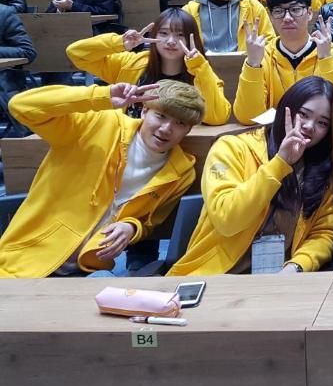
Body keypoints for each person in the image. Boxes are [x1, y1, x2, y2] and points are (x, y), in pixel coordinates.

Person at [0, 80, 205, 277]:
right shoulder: (99, 123)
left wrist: (131, 227)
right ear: (144, 111)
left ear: (188, 129)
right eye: (160, 116)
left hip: (88, 269)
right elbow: (21, 106)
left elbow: (148, 222)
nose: (166, 128)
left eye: (179, 123)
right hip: (26, 262)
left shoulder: (182, 172)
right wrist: (101, 96)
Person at [168, 77, 333, 276]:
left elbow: (323, 232)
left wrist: (297, 265)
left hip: (281, 280)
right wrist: (281, 163)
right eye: (303, 114)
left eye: (322, 123)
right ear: (286, 108)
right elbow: (227, 219)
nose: (310, 126)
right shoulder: (232, 147)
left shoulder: (323, 170)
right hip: (217, 277)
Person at [67, 7, 231, 125]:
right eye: (164, 33)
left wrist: (198, 66)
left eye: (180, 35)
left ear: (191, 39)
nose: (171, 41)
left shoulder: (202, 73)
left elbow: (217, 117)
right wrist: (119, 42)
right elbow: (77, 53)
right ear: (154, 35)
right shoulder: (130, 64)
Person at [233, 0, 333, 125]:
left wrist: (326, 59)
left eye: (295, 9)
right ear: (270, 16)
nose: (287, 18)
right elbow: (247, 117)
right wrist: (253, 65)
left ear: (309, 13)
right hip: (275, 133)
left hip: (320, 132)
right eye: (279, 11)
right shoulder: (261, 57)